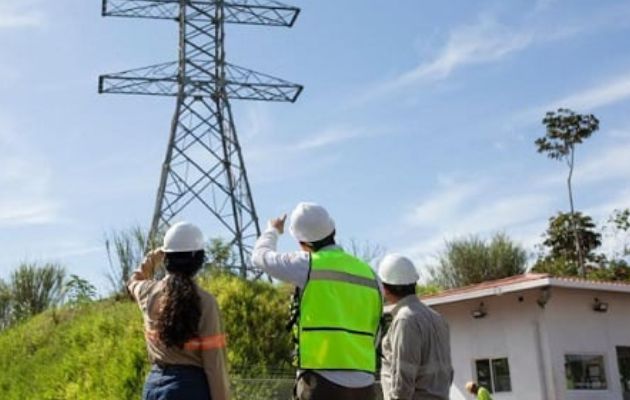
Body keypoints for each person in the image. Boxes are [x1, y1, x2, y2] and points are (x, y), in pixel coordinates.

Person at [251, 202, 383, 400]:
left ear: (302, 243)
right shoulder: (371, 275)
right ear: (333, 230)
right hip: (364, 384)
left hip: (321, 382)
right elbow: (377, 329)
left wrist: (273, 230)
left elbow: (260, 257)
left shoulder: (306, 265)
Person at [127, 221, 230, 400]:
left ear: (167, 259)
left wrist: (154, 256)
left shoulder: (148, 292)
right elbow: (214, 365)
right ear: (198, 260)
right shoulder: (205, 302)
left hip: (154, 386)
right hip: (190, 388)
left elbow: (132, 282)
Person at [378, 254, 453, 400]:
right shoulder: (438, 319)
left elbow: (402, 383)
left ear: (385, 289)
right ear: (414, 284)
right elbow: (448, 374)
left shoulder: (405, 320)